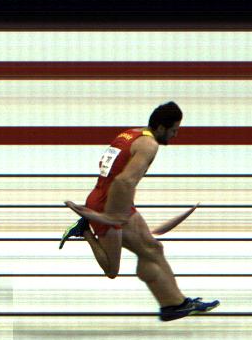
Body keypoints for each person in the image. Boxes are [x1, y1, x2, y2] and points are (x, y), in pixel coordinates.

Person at [61, 102, 219, 321]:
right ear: (161, 127)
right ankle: (84, 231)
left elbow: (109, 168)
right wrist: (114, 216)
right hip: (109, 204)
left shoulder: (131, 134)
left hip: (110, 199)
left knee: (153, 248)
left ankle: (175, 304)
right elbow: (124, 180)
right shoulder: (149, 145)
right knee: (112, 270)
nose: (175, 135)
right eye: (174, 130)